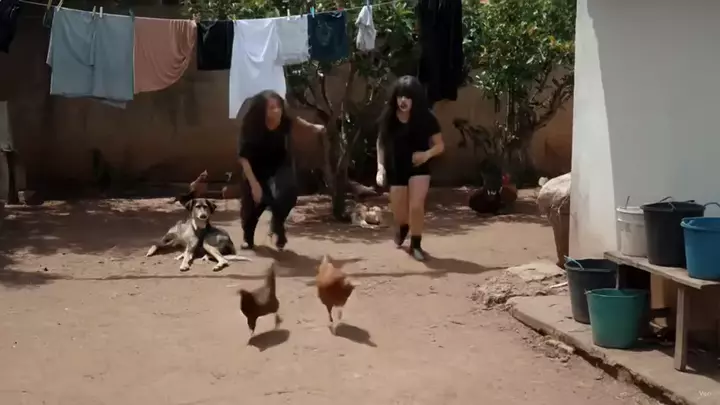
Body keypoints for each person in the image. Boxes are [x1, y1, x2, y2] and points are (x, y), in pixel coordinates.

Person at [376, 76, 445, 261]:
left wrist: (426, 155)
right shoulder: (389, 116)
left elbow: (440, 146)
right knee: (398, 211)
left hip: (419, 167)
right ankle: (402, 226)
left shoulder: (427, 118)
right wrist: (380, 167)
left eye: (408, 97)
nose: (403, 101)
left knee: (416, 206)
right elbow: (381, 142)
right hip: (396, 167)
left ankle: (416, 244)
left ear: (416, 98)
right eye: (400, 96)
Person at [238, 90, 298, 251]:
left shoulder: (284, 122)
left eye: (278, 106)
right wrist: (254, 185)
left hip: (278, 165)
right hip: (254, 168)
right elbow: (243, 157)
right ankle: (248, 238)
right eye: (271, 108)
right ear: (261, 111)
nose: (277, 110)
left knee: (289, 193)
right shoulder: (251, 127)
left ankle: (277, 224)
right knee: (255, 204)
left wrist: (313, 127)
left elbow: (297, 121)